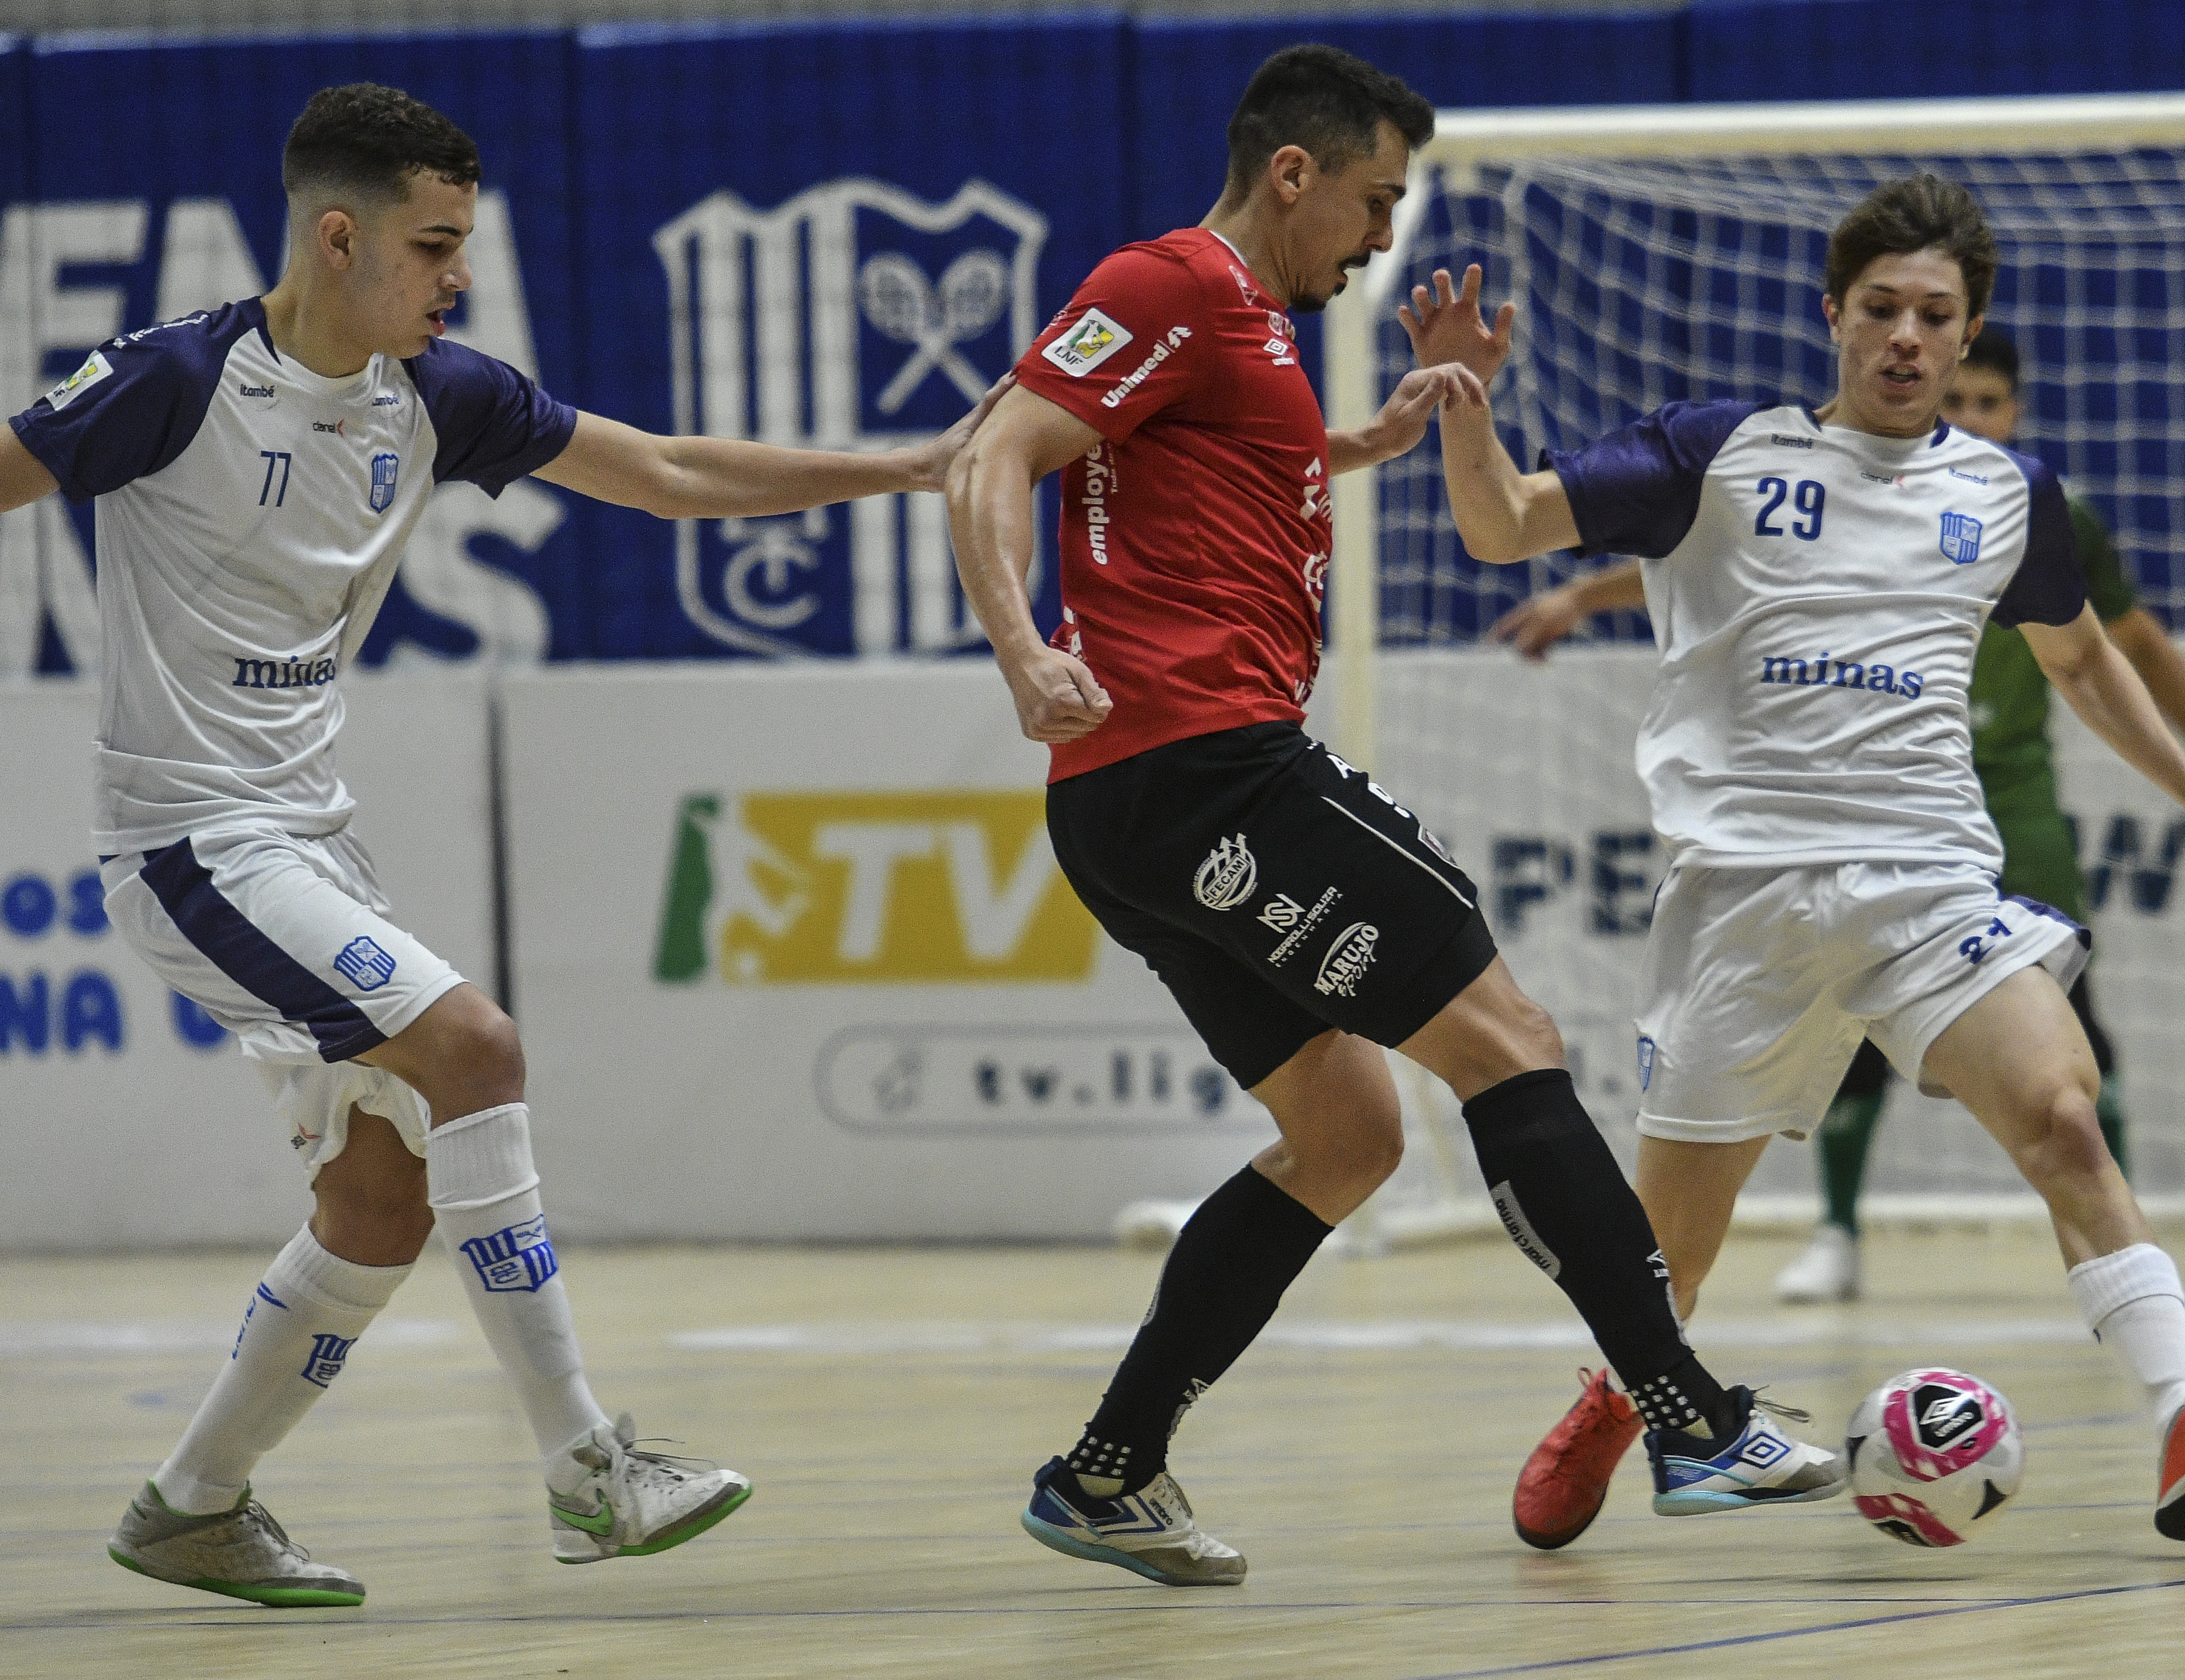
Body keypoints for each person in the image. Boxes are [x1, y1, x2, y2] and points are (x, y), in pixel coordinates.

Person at [0, 84, 1001, 1607]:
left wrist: (909, 467)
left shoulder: (438, 394)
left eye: (463, 245)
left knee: (384, 1200)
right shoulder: (175, 380)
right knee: (475, 1044)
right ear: (338, 239)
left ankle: (191, 1503)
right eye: (434, 244)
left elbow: (663, 475)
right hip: (193, 841)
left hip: (312, 849)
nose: (457, 275)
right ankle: (590, 1464)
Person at [947, 44, 1844, 1589]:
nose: (1379, 241)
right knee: (1509, 1039)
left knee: (1348, 1134)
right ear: (1289, 171)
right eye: (1372, 201)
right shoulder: (1164, 280)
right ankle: (1689, 1411)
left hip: (1133, 810)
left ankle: (1108, 1467)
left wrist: (1372, 437)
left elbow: (1211, 473)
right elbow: (993, 450)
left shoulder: (1248, 335)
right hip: (1206, 764)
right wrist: (1023, 649)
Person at [1403, 173, 2185, 1552]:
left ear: (1969, 339)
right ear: (1833, 314)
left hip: (1926, 886)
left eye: (1936, 316)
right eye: (1882, 308)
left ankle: (2180, 1414)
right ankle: (1618, 1402)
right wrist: (1466, 413)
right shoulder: (1716, 452)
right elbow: (1503, 526)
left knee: (2065, 1119)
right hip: (1745, 903)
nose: (1906, 335)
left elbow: (2082, 663)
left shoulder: (2008, 495)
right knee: (1672, 1264)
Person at [1490, 324, 2185, 1306]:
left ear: (2012, 409)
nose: (1972, 413)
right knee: (1828, 1048)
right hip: (1844, 821)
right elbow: (1717, 537)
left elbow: (2125, 645)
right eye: (1963, 398)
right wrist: (1582, 599)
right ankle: (1835, 1237)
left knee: (2071, 1054)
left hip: (2003, 809)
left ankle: (2122, 1259)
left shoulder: (2030, 504)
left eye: (1990, 401)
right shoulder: (1824, 476)